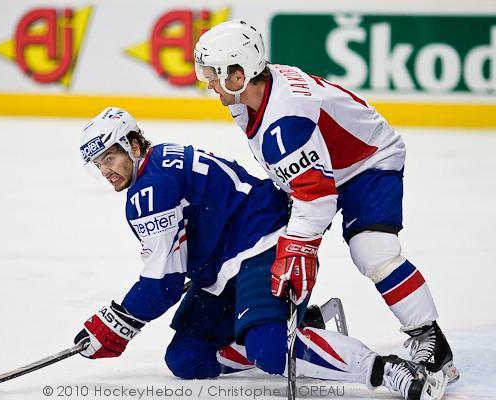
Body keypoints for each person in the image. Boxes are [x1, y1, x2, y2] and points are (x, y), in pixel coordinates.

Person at [73, 107, 447, 400]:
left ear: (134, 145)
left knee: (269, 350)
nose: (106, 170)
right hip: (224, 264)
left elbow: (164, 284)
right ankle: (300, 326)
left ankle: (386, 370)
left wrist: (112, 324)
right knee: (186, 359)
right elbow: (174, 262)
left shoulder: (150, 189)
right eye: (99, 163)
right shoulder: (161, 161)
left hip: (262, 243)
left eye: (111, 157)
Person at [193, 20, 458, 384]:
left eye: (213, 74)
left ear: (239, 74)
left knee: (373, 251)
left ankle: (429, 336)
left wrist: (298, 247)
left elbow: (317, 198)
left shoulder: (284, 120)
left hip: (368, 161)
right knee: (271, 237)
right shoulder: (253, 97)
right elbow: (303, 178)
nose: (207, 83)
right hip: (329, 164)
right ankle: (300, 322)